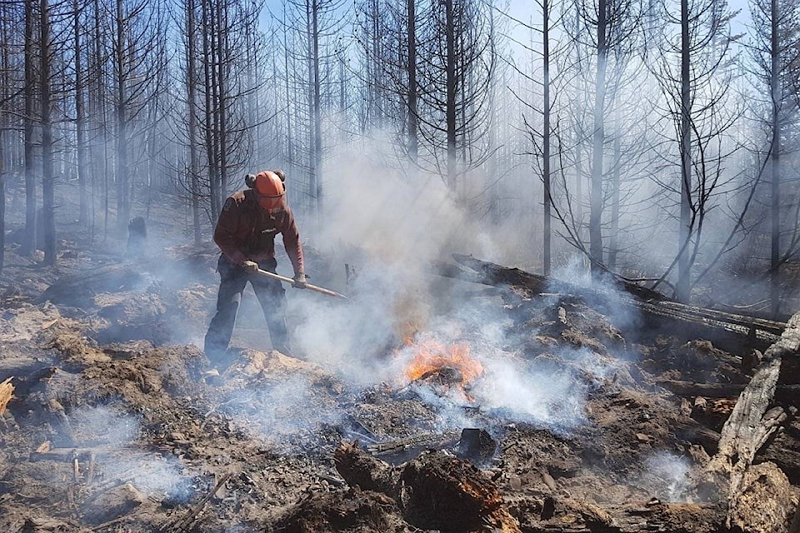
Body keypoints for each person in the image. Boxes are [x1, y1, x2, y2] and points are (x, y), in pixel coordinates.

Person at [204, 170, 306, 362]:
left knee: (275, 307)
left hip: (264, 263)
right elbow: (221, 236)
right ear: (256, 193)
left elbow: (292, 241)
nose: (273, 206)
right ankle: (212, 358)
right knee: (229, 307)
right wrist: (242, 260)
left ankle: (284, 356)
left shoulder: (282, 210)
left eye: (277, 200)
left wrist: (299, 272)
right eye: (269, 201)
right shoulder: (236, 204)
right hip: (234, 263)